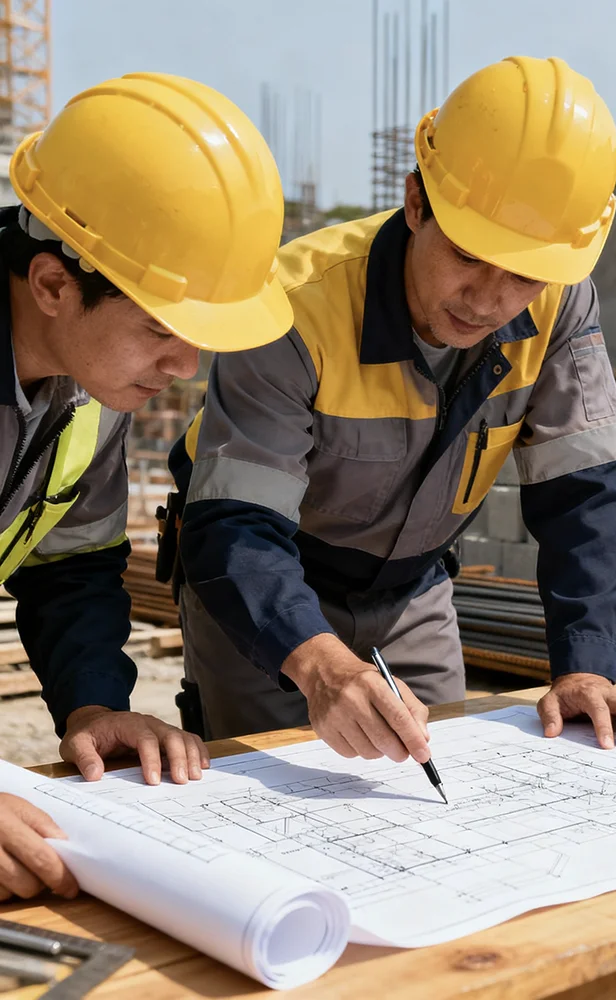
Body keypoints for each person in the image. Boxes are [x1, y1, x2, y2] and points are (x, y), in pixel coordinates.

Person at [172, 55, 616, 769]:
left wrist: (587, 666)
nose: (489, 299)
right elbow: (236, 526)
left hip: (412, 590)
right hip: (265, 585)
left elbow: (587, 496)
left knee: (437, 796)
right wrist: (321, 668)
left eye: (523, 273)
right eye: (468, 255)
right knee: (272, 801)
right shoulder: (291, 308)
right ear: (415, 201)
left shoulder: (561, 300)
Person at [0, 73, 292, 902]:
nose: (184, 367)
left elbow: (71, 569)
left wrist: (92, 707)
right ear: (54, 284)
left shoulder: (87, 379)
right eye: (162, 328)